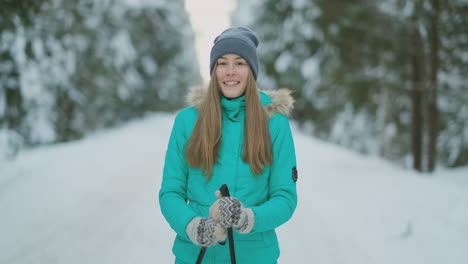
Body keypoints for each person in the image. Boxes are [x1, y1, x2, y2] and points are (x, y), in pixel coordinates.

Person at [159, 27, 298, 264]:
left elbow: (285, 197)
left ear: (251, 71)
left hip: (254, 257)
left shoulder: (275, 125)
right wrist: (193, 226)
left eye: (240, 63)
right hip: (197, 257)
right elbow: (171, 192)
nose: (230, 72)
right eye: (222, 63)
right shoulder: (187, 121)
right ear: (214, 70)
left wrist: (249, 218)